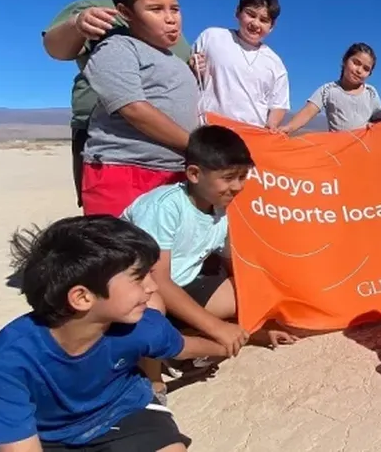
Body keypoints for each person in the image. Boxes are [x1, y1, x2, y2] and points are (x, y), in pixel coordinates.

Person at [0, 215, 227, 452]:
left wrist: (226, 345)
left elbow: (183, 346)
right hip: (43, 434)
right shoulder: (4, 363)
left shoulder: (143, 326)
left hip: (125, 413)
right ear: (82, 297)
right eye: (138, 278)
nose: (153, 286)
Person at [122, 125, 299, 399]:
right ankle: (153, 380)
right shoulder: (164, 206)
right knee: (153, 304)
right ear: (194, 174)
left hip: (182, 286)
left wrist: (256, 326)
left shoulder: (222, 210)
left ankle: (179, 342)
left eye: (243, 176)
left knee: (248, 288)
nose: (238, 186)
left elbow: (234, 266)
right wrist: (217, 327)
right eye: (229, 178)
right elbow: (156, 279)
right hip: (138, 289)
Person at [41, 0, 193, 209]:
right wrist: (77, 25)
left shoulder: (176, 35)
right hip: (117, 149)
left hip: (172, 156)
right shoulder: (99, 8)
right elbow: (55, 49)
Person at [80, 0, 200, 217]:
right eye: (156, 9)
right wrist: (198, 147)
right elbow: (133, 108)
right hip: (124, 171)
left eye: (175, 9)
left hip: (175, 173)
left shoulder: (177, 61)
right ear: (126, 12)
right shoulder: (117, 48)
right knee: (123, 253)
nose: (170, 18)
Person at [191, 0, 290, 129]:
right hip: (208, 131)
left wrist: (271, 127)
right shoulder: (212, 37)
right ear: (238, 12)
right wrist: (193, 67)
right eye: (250, 14)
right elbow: (191, 76)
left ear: (272, 26)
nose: (255, 23)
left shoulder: (276, 63)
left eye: (263, 20)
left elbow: (279, 105)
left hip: (251, 137)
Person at [279, 43, 381, 134]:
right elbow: (308, 112)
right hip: (338, 150)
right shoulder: (328, 90)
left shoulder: (371, 92)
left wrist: (374, 126)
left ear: (369, 74)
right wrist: (288, 128)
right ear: (345, 61)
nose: (359, 70)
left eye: (366, 69)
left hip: (363, 150)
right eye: (356, 63)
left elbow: (379, 120)